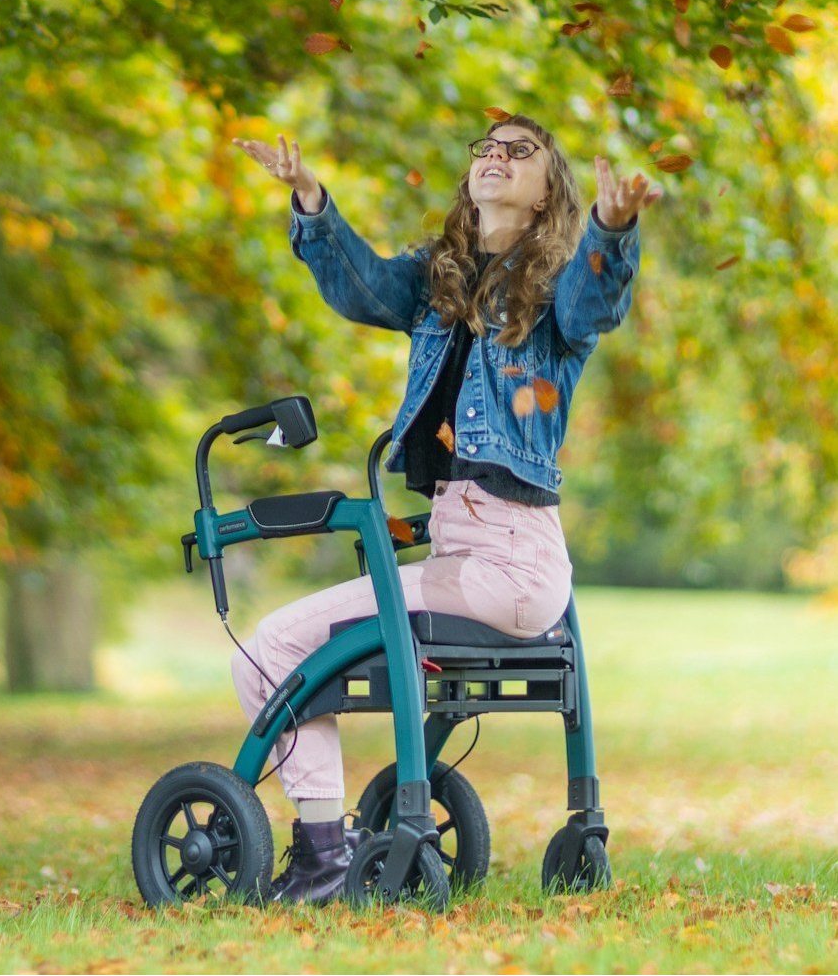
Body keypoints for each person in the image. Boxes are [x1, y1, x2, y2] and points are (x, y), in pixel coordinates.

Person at [227, 116, 662, 905]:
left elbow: (594, 301)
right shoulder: (440, 284)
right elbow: (358, 285)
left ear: (544, 195)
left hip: (502, 559)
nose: (496, 156)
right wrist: (309, 197)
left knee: (267, 649)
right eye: (486, 147)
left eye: (518, 150)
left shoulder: (554, 287)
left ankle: (324, 851)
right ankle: (339, 843)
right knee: (300, 640)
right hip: (493, 560)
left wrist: (613, 224)